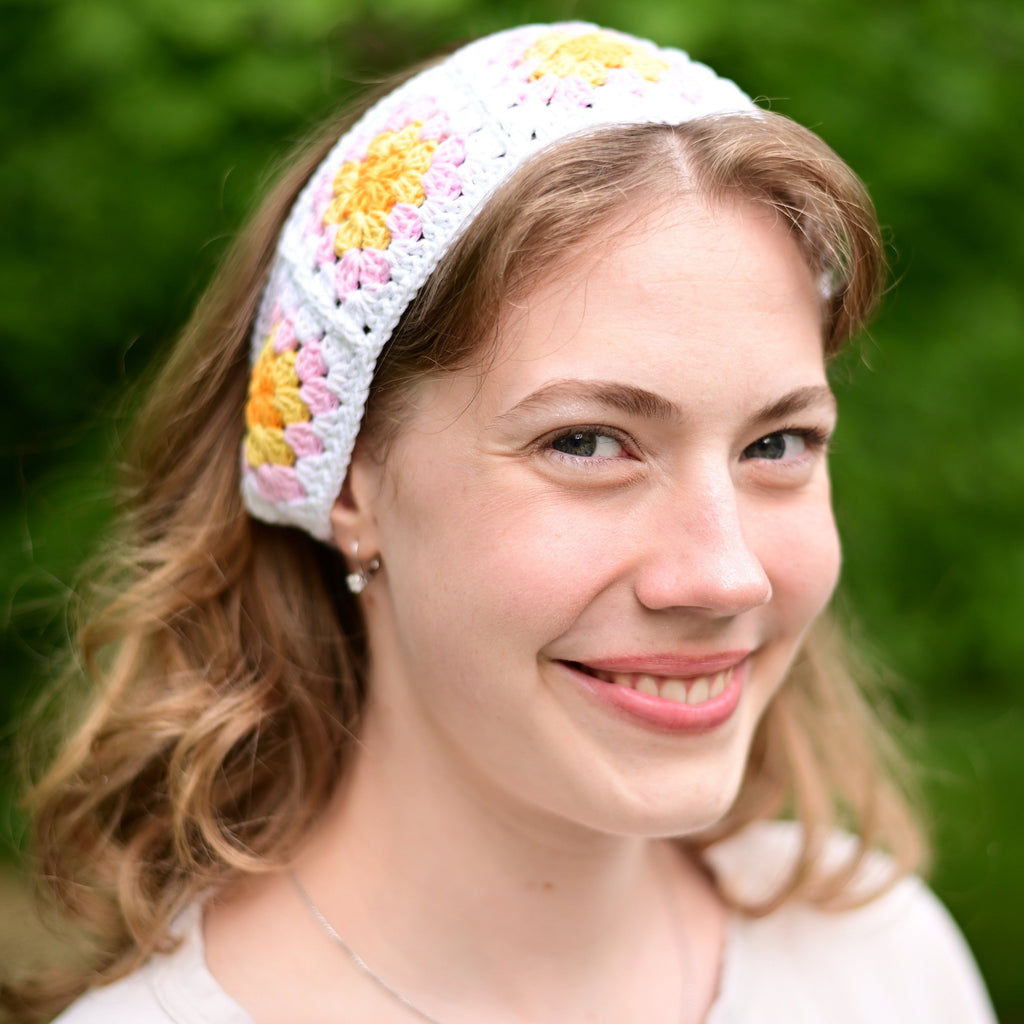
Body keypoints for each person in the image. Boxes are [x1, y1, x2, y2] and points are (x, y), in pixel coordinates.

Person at [3, 21, 996, 1024]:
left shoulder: (879, 960)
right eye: (586, 442)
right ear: (349, 482)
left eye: (775, 444)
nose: (725, 574)